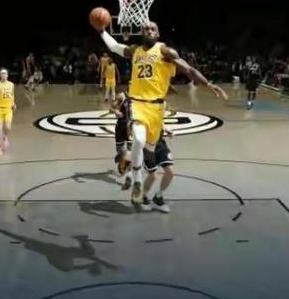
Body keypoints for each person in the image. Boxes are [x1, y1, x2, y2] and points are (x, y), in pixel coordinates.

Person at [95, 20, 228, 206]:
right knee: (138, 139)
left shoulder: (166, 51)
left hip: (157, 109)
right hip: (137, 104)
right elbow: (115, 47)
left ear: (158, 34)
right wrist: (102, 31)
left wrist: (208, 84)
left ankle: (141, 177)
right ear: (142, 33)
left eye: (153, 29)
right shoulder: (135, 50)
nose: (149, 31)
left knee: (149, 151)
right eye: (146, 29)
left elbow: (189, 69)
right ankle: (137, 181)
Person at [142, 128, 174, 213]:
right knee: (152, 176)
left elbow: (159, 122)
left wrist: (166, 129)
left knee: (170, 172)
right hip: (147, 146)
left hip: (160, 144)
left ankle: (158, 197)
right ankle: (143, 197)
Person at [108, 92, 132, 191]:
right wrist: (115, 111)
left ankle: (128, 178)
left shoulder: (141, 98)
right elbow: (110, 108)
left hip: (132, 127)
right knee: (121, 151)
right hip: (121, 127)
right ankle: (121, 156)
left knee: (130, 154)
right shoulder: (122, 96)